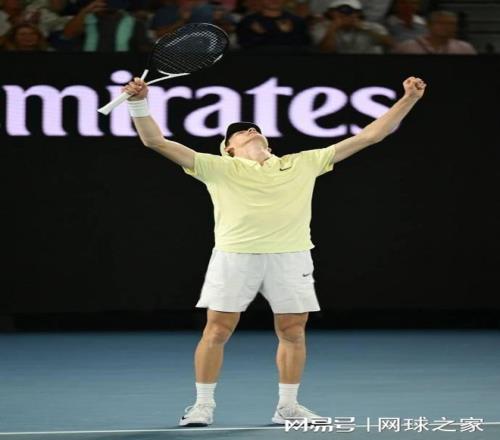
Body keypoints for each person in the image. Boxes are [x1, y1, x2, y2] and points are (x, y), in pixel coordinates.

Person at [121, 74, 426, 426]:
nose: (250, 131)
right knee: (217, 331)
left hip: (291, 256)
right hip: (235, 256)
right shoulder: (217, 167)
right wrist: (137, 102)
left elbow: (370, 136)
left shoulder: (303, 162)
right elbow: (154, 141)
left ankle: (288, 408)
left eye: (254, 129)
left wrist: (409, 99)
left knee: (293, 331)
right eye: (240, 132)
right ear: (228, 149)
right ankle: (202, 406)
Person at [311, 0, 393, 54]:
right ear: (331, 12)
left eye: (351, 11)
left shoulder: (373, 27)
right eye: (340, 10)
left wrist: (363, 28)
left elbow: (391, 44)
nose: (345, 14)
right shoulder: (321, 27)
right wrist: (333, 28)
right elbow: (326, 51)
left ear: (359, 13)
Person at [236, 0, 309, 51]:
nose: (274, 0)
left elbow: (304, 47)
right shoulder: (249, 21)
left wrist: (287, 34)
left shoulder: (297, 22)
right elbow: (243, 45)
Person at [393, 10, 476, 54]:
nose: (446, 27)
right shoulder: (407, 47)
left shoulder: (465, 48)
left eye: (451, 24)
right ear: (429, 25)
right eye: (441, 23)